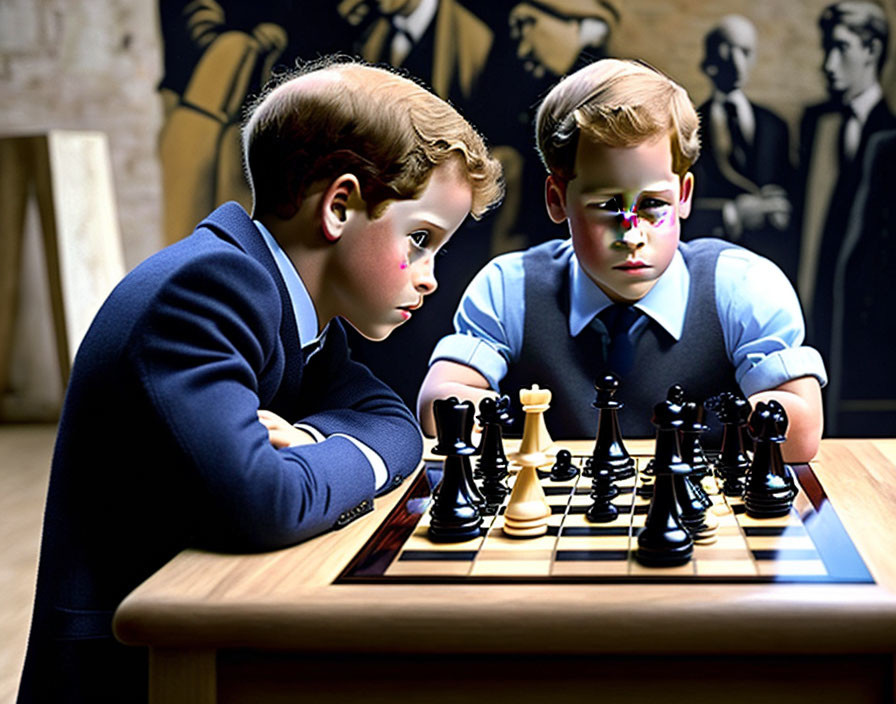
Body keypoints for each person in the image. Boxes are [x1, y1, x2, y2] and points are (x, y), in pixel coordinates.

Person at [17, 58, 503, 702]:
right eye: (419, 239)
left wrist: (309, 446)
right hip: (131, 669)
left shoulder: (292, 307)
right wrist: (312, 459)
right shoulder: (208, 288)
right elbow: (265, 502)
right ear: (339, 206)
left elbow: (395, 428)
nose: (430, 275)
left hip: (204, 624)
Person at [417, 58, 825, 462]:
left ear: (683, 196)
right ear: (557, 200)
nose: (632, 235)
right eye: (609, 205)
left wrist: (708, 419)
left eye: (652, 204)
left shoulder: (742, 287)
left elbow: (802, 428)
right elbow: (438, 405)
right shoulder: (509, 288)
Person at [792, 1, 894, 361]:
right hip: (813, 304)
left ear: (872, 50)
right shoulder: (816, 125)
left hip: (869, 322)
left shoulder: (890, 134)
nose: (828, 64)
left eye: (841, 47)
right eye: (826, 48)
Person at [683, 14, 794, 273]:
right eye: (726, 50)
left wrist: (782, 208)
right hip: (711, 263)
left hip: (769, 265)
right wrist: (732, 214)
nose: (736, 62)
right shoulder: (689, 127)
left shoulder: (775, 126)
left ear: (753, 58)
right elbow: (675, 208)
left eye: (744, 52)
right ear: (708, 62)